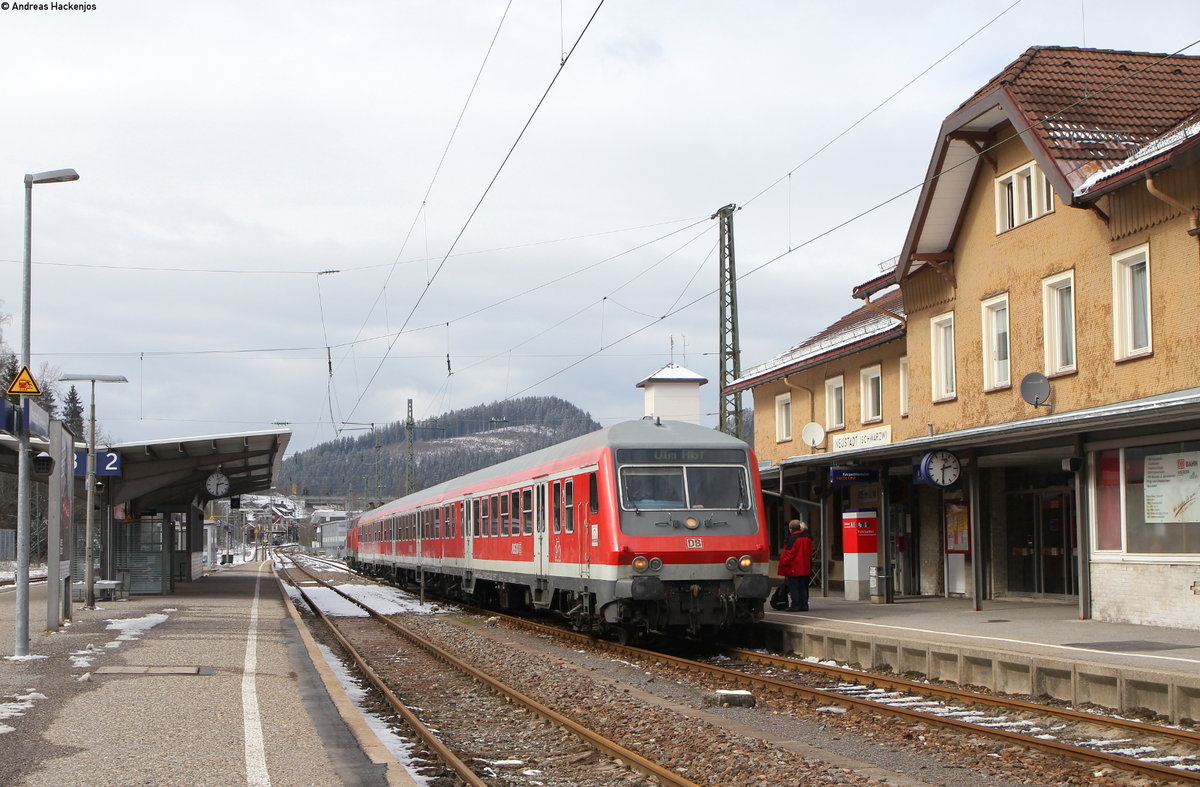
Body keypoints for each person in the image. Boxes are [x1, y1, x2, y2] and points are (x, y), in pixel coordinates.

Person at [778, 519, 813, 611]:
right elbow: (810, 551)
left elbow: (790, 553)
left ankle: (795, 605)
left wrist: (784, 562)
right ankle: (804, 605)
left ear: (790, 529)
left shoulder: (792, 538)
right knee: (803, 586)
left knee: (794, 586)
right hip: (805, 566)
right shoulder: (807, 538)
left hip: (794, 567)